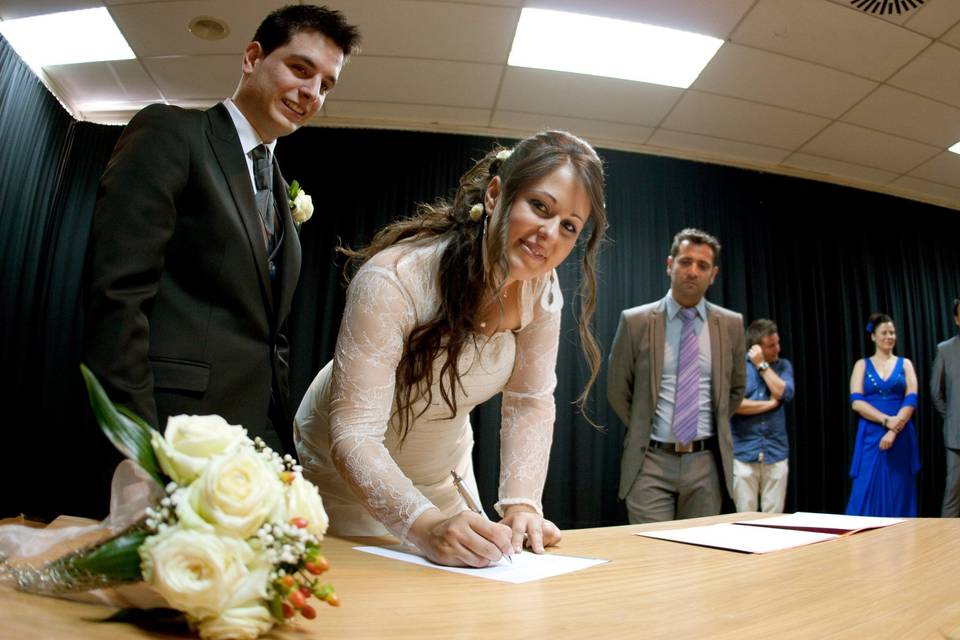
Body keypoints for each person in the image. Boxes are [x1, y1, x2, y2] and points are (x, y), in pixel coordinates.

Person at [295, 131, 608, 567]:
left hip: (444, 470)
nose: (549, 234)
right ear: (497, 194)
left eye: (569, 226)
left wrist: (522, 506)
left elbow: (529, 401)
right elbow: (354, 436)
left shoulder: (541, 289)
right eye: (540, 207)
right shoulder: (395, 279)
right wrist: (422, 526)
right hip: (347, 470)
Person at [83, 6, 360, 455]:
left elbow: (272, 334)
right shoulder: (171, 133)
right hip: (170, 429)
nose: (311, 92)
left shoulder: (278, 189)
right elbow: (117, 297)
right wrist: (133, 444)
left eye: (326, 84)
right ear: (252, 58)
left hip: (252, 441)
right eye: (300, 68)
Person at [608, 228, 745, 523]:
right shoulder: (636, 321)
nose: (692, 271)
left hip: (706, 465)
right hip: (650, 461)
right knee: (651, 556)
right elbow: (618, 389)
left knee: (698, 559)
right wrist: (643, 424)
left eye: (702, 265)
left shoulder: (731, 325)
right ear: (670, 264)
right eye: (685, 262)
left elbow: (735, 390)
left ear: (714, 274)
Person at [845, 312, 920, 517]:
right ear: (873, 336)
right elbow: (856, 402)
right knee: (864, 490)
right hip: (871, 434)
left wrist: (894, 429)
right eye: (884, 332)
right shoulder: (861, 365)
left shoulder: (905, 364)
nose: (890, 336)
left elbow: (911, 399)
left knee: (899, 491)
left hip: (901, 433)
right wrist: (886, 420)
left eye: (893, 332)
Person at [730, 319, 795, 513]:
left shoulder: (783, 366)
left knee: (774, 520)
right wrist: (770, 404)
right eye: (771, 345)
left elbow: (785, 392)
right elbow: (734, 405)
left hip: (775, 453)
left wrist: (762, 366)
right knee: (745, 518)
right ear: (756, 348)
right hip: (744, 453)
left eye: (778, 342)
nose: (778, 349)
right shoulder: (738, 367)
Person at [931, 297, 960, 516]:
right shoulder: (945, 349)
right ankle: (947, 542)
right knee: (953, 493)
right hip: (956, 436)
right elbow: (936, 392)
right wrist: (951, 417)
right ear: (956, 319)